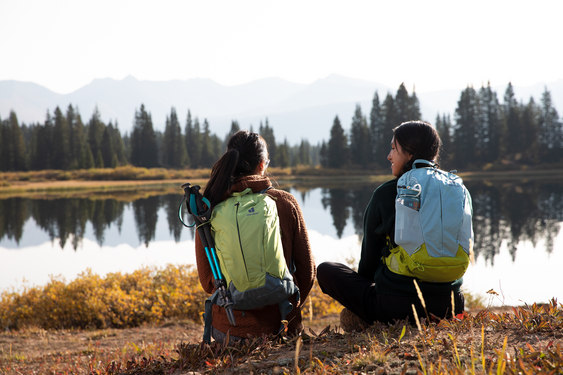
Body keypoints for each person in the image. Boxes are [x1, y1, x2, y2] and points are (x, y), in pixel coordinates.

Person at [317, 121, 466, 329]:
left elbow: (368, 262)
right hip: (452, 305)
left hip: (397, 307)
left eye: (394, 148)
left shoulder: (387, 192)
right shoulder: (455, 189)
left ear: (410, 153)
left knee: (325, 270)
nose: (389, 156)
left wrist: (363, 298)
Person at [195, 130, 316, 343]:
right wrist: (287, 307)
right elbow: (308, 273)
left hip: (228, 332)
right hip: (281, 327)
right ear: (262, 165)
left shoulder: (209, 208)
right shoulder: (285, 202)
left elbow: (207, 281)